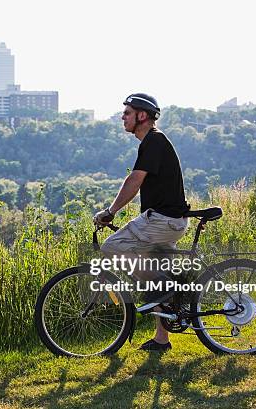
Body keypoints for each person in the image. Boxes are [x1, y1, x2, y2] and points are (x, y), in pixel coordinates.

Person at [93, 93, 190, 352]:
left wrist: (110, 211)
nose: (122, 117)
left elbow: (134, 181)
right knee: (153, 278)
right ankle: (162, 338)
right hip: (170, 222)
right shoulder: (152, 142)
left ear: (142, 116)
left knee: (111, 247)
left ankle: (170, 290)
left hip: (162, 221)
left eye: (127, 113)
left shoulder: (154, 141)